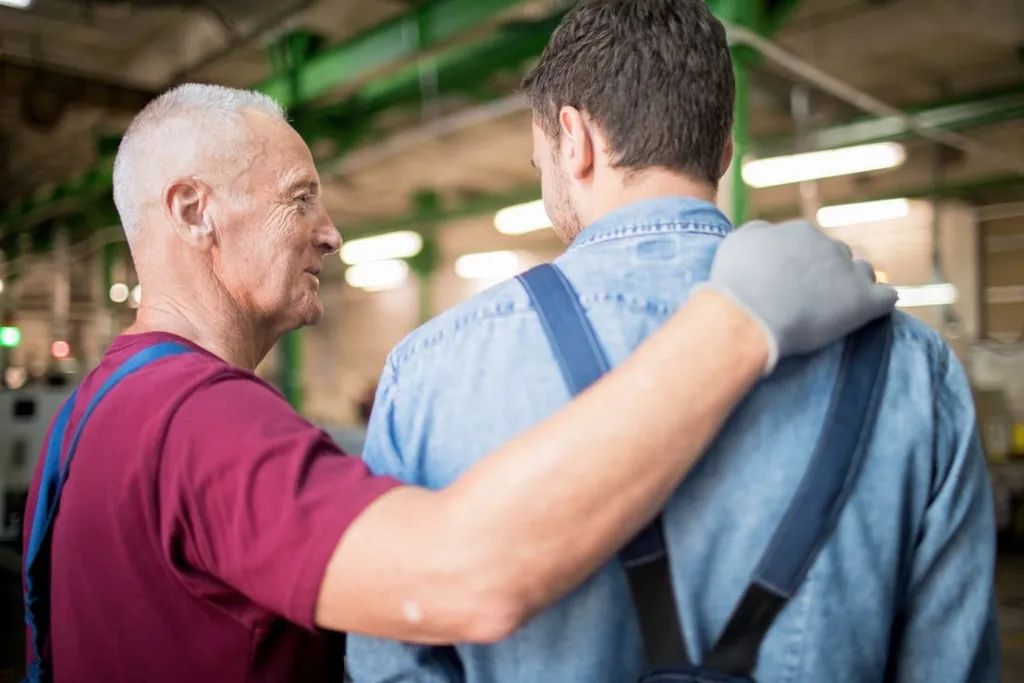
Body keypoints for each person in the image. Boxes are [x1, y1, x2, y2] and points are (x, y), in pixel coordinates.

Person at [21, 82, 894, 683]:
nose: (330, 232)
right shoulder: (203, 422)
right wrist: (736, 324)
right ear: (193, 210)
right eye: (299, 197)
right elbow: (464, 574)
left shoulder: (93, 411)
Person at [346, 1, 1000, 681]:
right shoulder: (914, 366)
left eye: (540, 162)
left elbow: (394, 663)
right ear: (724, 150)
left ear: (574, 141)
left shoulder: (432, 367)